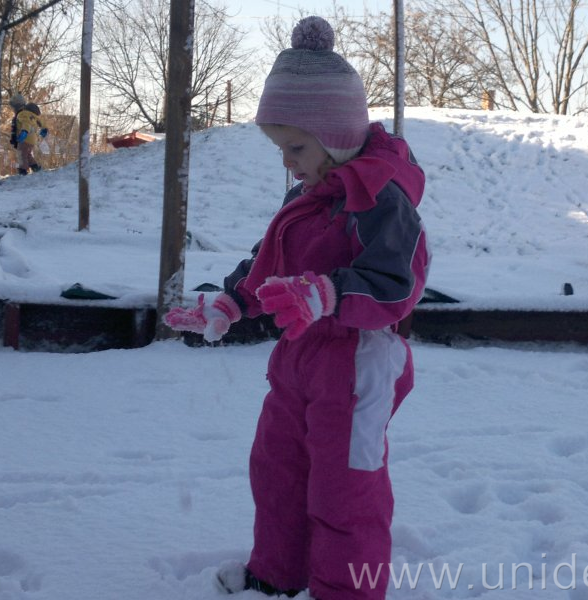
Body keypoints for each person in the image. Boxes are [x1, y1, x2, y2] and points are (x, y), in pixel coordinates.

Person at [165, 16, 429, 600]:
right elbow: (272, 259)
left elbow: (396, 284)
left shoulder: (381, 199)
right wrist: (232, 303)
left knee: (344, 491)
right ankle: (277, 575)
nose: (287, 160)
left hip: (356, 364)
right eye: (280, 149)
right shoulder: (309, 193)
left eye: (296, 147)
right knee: (277, 470)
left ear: (335, 135)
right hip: (298, 360)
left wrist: (328, 293)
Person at [9, 94, 48, 175]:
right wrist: (44, 129)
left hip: (25, 138)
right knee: (28, 154)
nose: (12, 110)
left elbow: (26, 123)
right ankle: (35, 167)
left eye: (13, 107)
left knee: (21, 154)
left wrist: (24, 132)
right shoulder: (32, 115)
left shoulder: (22, 114)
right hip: (32, 139)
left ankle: (23, 170)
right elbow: (41, 122)